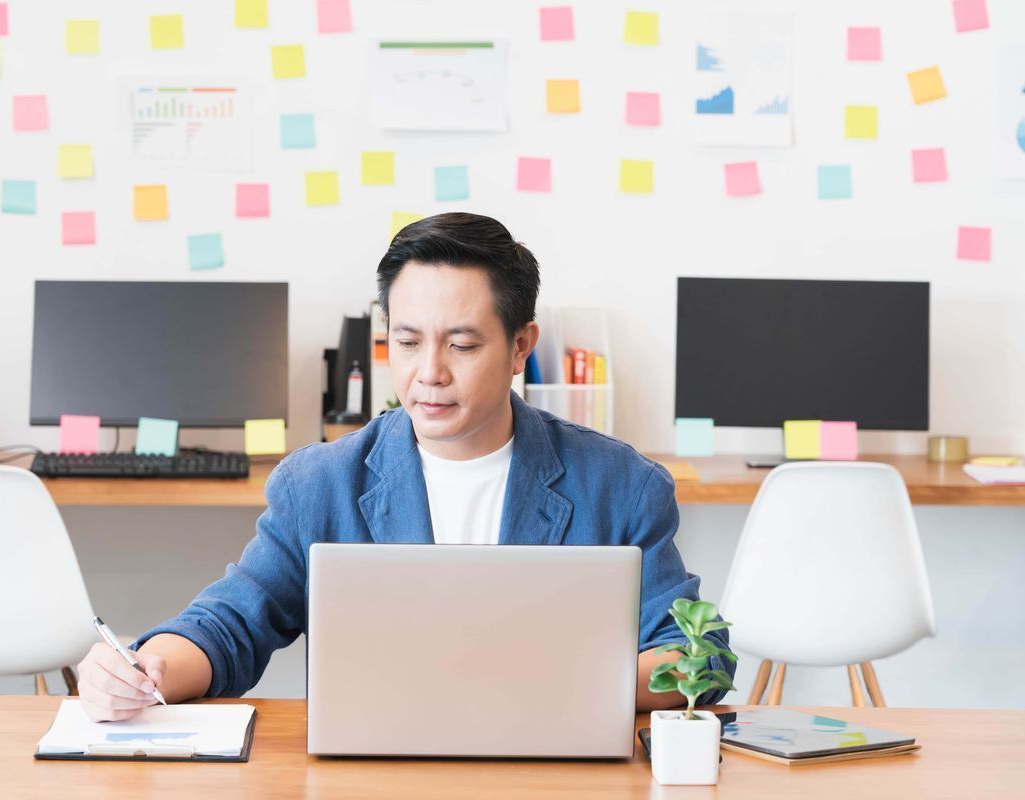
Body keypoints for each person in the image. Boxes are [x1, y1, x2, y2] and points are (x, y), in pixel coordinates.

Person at [77, 212, 734, 721]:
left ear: (519, 347)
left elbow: (701, 658)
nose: (429, 374)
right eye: (407, 341)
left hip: (552, 769)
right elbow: (230, 627)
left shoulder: (617, 485)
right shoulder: (323, 483)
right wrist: (144, 669)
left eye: (464, 344)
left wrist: (569, 682)